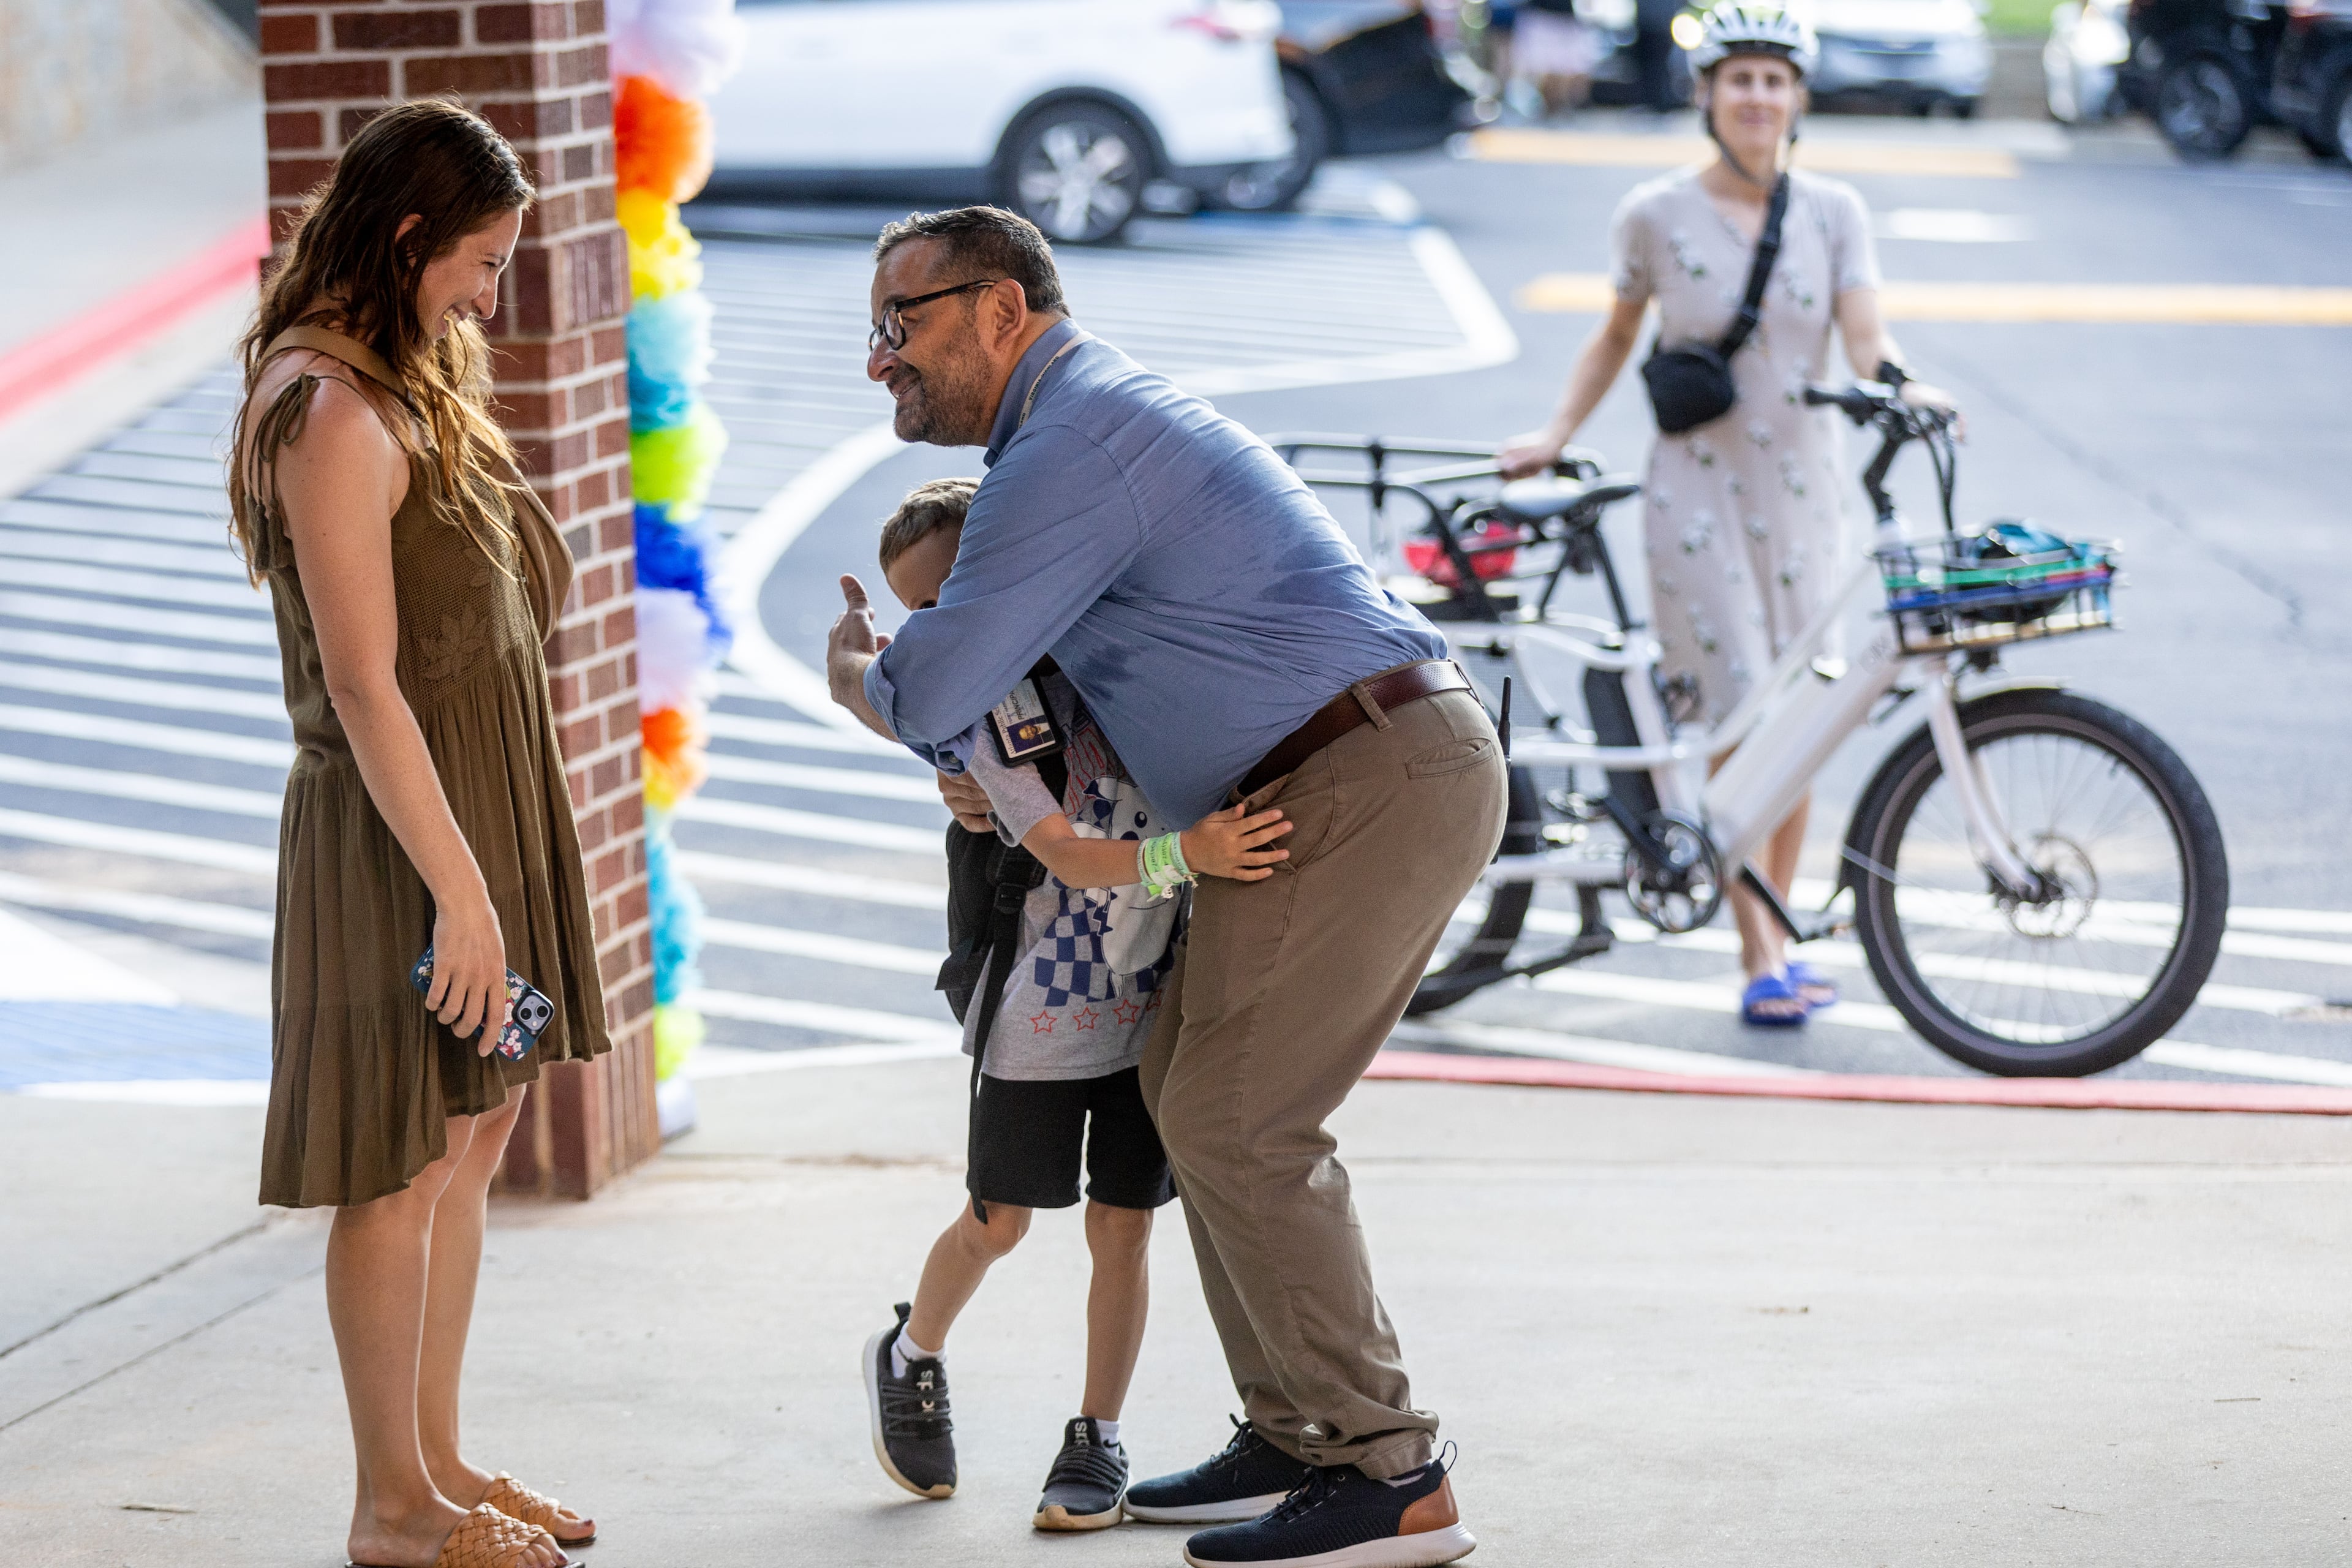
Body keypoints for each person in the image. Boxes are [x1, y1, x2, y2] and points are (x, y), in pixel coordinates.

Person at [825, 205, 1501, 1568]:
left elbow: (941, 683)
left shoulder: (1066, 443)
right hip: (1319, 776)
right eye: (874, 330)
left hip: (1361, 772)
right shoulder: (1077, 424)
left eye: (902, 325)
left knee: (1246, 1118)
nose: (880, 358)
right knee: (1186, 1089)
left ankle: (1388, 1467)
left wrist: (860, 672)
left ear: (1001, 308)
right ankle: (1299, 1426)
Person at [227, 99, 608, 1568]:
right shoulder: (327, 407)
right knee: (398, 1163)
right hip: (402, 847)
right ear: (403, 238)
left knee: (480, 1118)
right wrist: (463, 897)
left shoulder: (401, 373)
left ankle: (438, 1460)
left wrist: (490, 872)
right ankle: (392, 1506)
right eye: (479, 262)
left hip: (473, 823)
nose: (489, 295)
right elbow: (364, 682)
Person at [1499, 2, 1959, 1027]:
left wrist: (1906, 386)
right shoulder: (1653, 213)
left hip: (1806, 496)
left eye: (1775, 79)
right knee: (1735, 712)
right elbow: (1617, 336)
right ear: (1707, 96)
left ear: (1799, 98)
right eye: (1739, 79)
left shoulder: (1836, 211)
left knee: (1796, 721)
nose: (1758, 96)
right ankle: (1758, 951)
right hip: (1695, 497)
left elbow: (1866, 338)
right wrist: (1555, 428)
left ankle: (1775, 924)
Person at [856, 478, 1293, 1532]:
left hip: (1155, 998)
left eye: (954, 588)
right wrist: (1188, 853)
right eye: (919, 612)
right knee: (999, 1222)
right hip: (1038, 1010)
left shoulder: (1126, 657)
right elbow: (1062, 851)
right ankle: (912, 1353)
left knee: (1122, 1226)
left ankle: (1097, 1435)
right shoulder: (983, 712)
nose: (942, 623)